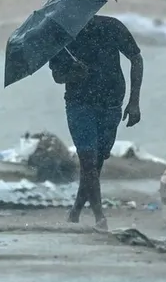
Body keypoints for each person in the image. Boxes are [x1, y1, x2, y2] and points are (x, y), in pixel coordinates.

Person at [49, 14, 143, 230]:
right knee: (88, 162)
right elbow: (57, 76)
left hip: (111, 103)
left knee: (96, 163)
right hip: (79, 104)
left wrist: (134, 101)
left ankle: (75, 212)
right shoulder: (61, 38)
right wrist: (72, 74)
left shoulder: (111, 27)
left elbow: (136, 58)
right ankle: (100, 217)